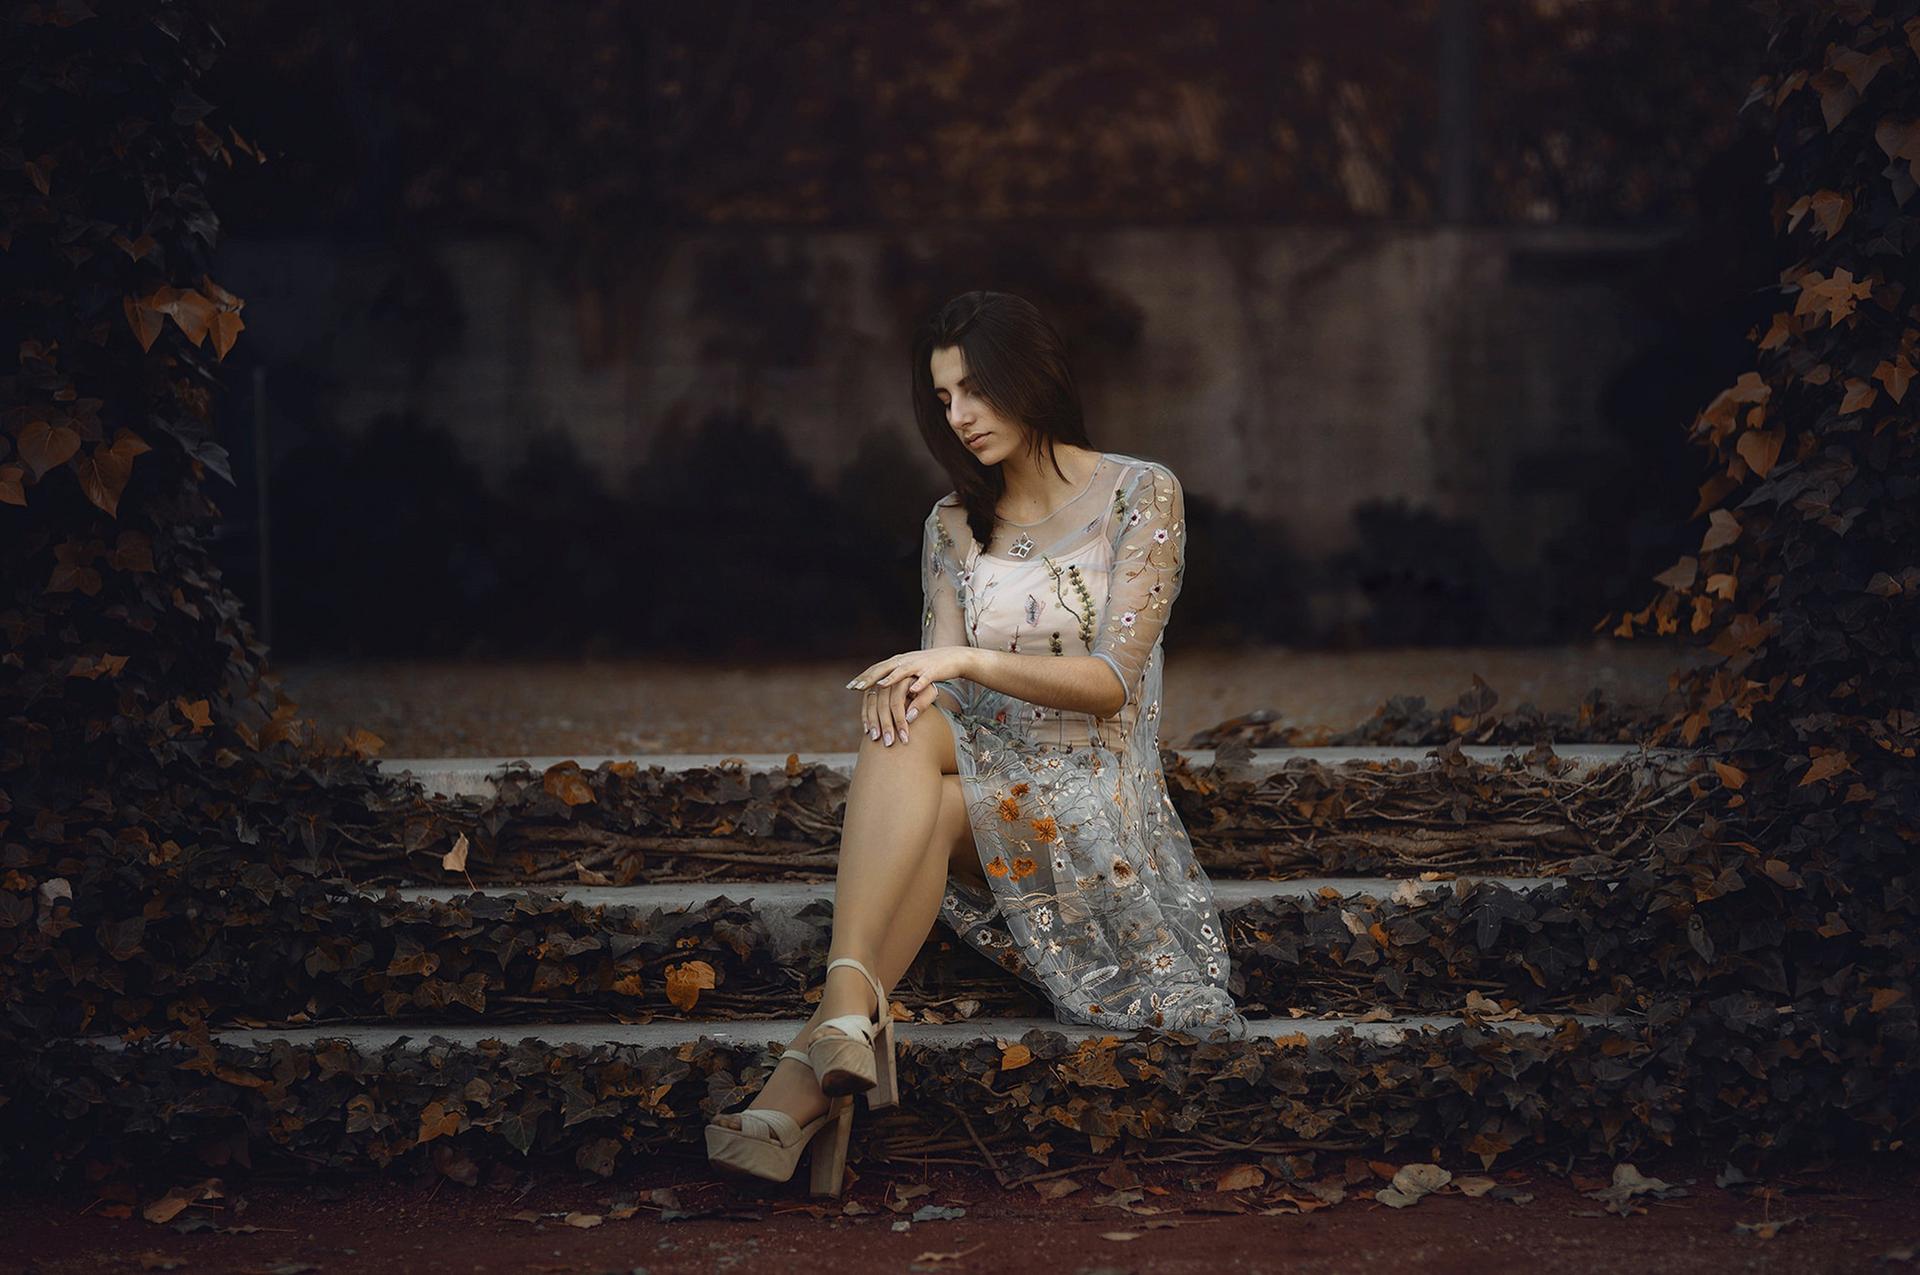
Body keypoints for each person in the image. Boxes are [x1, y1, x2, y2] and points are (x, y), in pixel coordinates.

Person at [706, 291, 1247, 1194]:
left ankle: (813, 1062)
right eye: (943, 397)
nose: (958, 415)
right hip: (991, 771)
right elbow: (950, 690)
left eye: (974, 390)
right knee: (911, 716)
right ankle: (842, 1016)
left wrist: (960, 659)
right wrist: (922, 679)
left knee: (935, 790)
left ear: (1030, 377)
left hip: (1096, 794)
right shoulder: (953, 523)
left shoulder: (1140, 492)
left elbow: (1112, 683)